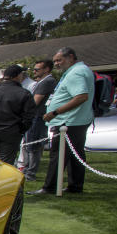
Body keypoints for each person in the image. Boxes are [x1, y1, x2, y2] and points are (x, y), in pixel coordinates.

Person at [32, 47, 96, 195]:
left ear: (71, 57)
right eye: (55, 61)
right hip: (73, 120)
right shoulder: (78, 71)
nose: (56, 64)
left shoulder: (77, 72)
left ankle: (50, 187)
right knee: (75, 155)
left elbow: (81, 96)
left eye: (59, 60)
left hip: (69, 121)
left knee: (58, 155)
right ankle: (75, 186)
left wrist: (55, 112)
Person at [21, 59, 56, 181]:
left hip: (37, 118)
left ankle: (30, 173)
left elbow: (35, 101)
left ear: (46, 69)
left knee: (33, 146)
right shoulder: (42, 82)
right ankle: (26, 170)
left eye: (37, 69)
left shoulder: (47, 82)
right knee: (29, 145)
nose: (34, 72)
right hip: (35, 117)